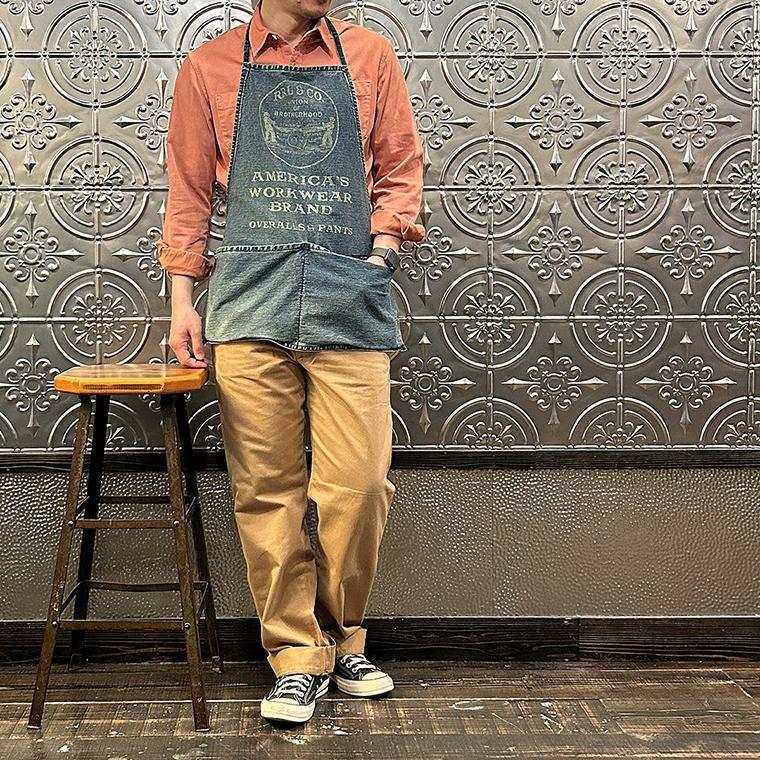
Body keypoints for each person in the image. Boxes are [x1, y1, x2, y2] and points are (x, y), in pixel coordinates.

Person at [155, 0, 425, 725]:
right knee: (266, 491)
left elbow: (401, 168)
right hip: (248, 300)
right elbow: (188, 191)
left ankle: (343, 637)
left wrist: (380, 255)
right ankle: (297, 657)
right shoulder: (209, 65)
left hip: (351, 296)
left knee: (358, 487)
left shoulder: (370, 55)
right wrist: (182, 302)